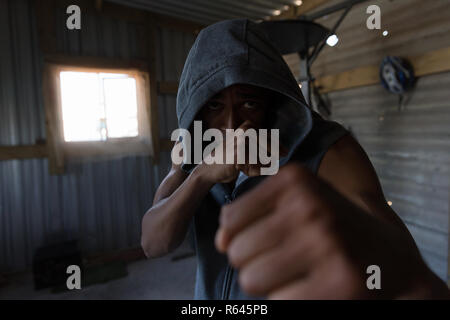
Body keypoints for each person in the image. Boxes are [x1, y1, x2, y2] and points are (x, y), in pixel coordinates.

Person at [141, 19, 449, 299]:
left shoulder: (329, 151)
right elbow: (154, 243)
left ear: (272, 100)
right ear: (196, 108)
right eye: (214, 106)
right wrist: (202, 175)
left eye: (249, 103)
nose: (232, 124)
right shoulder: (193, 150)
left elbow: (401, 273)